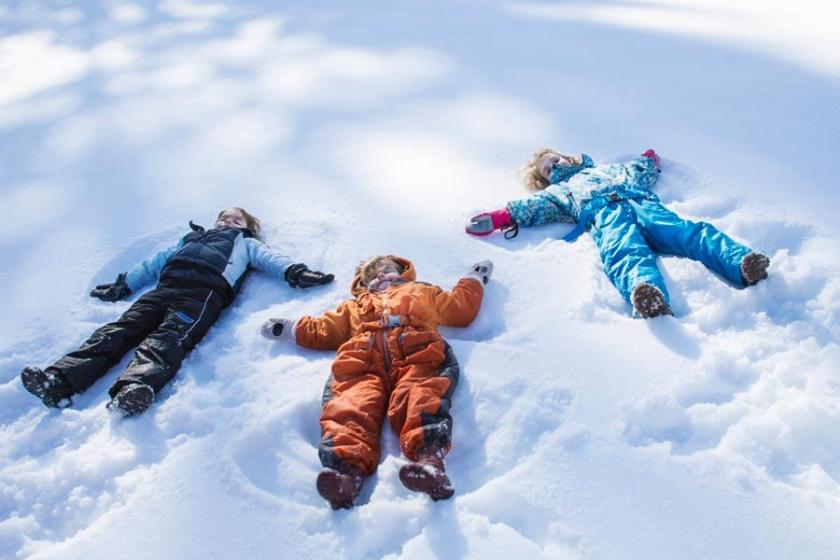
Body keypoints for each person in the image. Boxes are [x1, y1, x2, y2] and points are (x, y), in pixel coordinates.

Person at [21, 207, 334, 416]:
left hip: (201, 296)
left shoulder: (244, 243)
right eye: (224, 218)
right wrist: (124, 285)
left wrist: (296, 272)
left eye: (236, 220)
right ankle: (60, 380)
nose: (228, 222)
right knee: (117, 331)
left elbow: (270, 258)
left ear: (248, 227)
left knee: (167, 339)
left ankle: (133, 388)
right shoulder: (191, 239)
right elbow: (155, 262)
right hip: (163, 290)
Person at [262, 255, 492, 508]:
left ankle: (430, 463)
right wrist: (289, 328)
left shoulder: (421, 291)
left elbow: (460, 308)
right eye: (373, 274)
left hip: (416, 350)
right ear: (363, 283)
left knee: (420, 394)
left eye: (387, 270)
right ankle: (346, 476)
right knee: (350, 404)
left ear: (404, 272)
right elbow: (324, 329)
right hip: (362, 358)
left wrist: (473, 279)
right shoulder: (355, 307)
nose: (381, 275)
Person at [466, 149, 769, 317]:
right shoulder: (561, 191)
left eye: (554, 159)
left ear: (566, 156)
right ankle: (647, 294)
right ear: (545, 180)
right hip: (605, 214)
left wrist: (647, 161)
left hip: (642, 204)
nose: (554, 166)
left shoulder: (605, 170)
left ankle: (742, 262)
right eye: (547, 169)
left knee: (691, 233)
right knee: (625, 253)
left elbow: (637, 173)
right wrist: (500, 216)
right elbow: (533, 207)